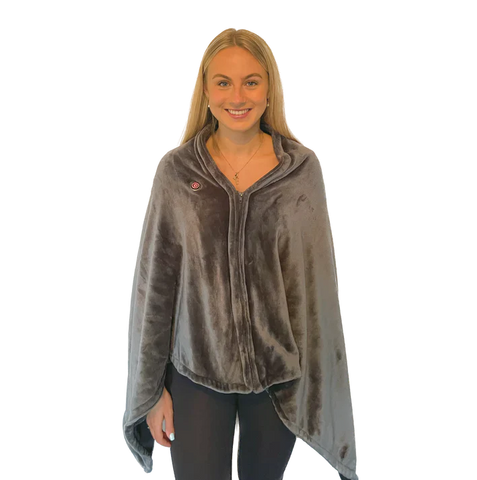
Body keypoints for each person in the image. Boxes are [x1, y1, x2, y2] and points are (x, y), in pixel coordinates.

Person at [122, 27, 359, 480]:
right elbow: (154, 290)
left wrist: (316, 388)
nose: (237, 96)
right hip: (195, 374)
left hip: (278, 378)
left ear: (268, 89)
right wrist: (150, 391)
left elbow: (317, 293)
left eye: (251, 81)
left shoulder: (301, 170)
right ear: (206, 91)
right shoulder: (176, 171)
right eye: (224, 82)